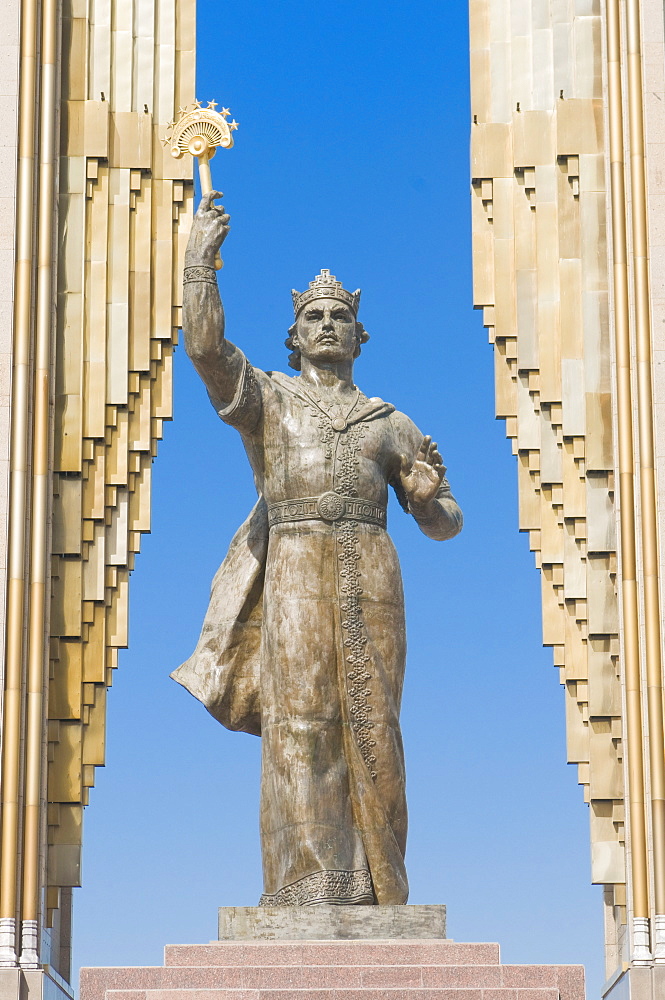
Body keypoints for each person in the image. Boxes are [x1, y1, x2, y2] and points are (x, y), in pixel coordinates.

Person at [172, 191, 463, 906]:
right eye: (313, 317)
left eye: (340, 317)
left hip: (371, 566)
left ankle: (375, 885)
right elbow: (207, 351)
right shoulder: (268, 398)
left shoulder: (388, 421)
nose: (328, 324)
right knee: (300, 722)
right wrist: (198, 265)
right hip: (296, 561)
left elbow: (447, 522)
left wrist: (428, 500)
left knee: (370, 723)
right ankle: (303, 886)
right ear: (293, 337)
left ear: (359, 336)